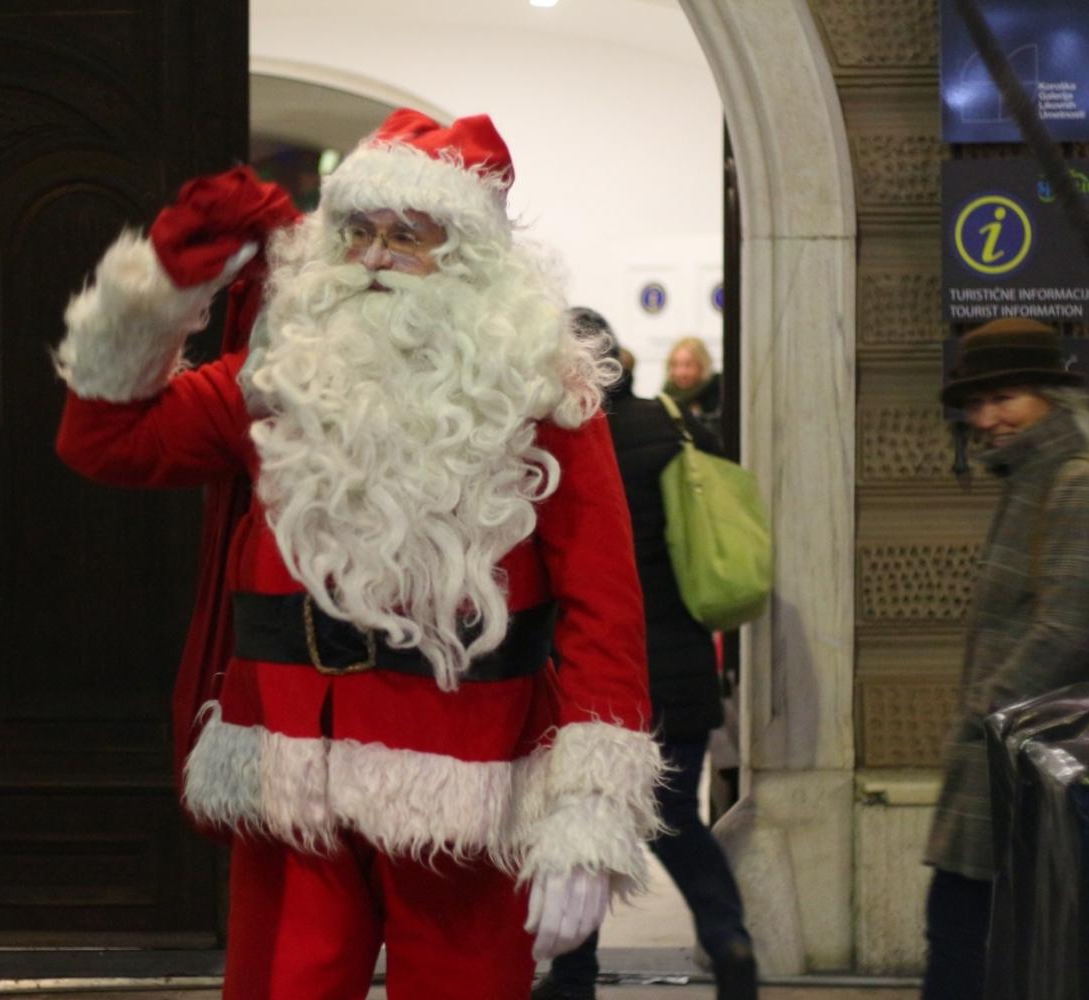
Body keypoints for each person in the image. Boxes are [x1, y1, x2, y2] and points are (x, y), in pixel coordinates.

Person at [53, 109, 663, 999]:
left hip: (471, 789)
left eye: (408, 235)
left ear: (470, 256)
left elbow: (603, 611)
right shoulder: (279, 377)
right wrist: (159, 295)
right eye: (358, 231)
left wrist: (591, 816)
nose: (375, 256)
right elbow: (104, 441)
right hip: (294, 779)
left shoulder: (542, 394)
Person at [531, 310, 757, 1000]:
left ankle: (573, 975)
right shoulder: (676, 428)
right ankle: (729, 938)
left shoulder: (557, 440)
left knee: (578, 818)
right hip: (679, 660)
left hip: (590, 667)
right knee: (676, 816)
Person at [923, 318, 1089, 1000]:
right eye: (978, 403)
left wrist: (985, 711)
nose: (987, 418)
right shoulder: (1032, 477)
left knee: (967, 945)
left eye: (1005, 398)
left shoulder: (1079, 482)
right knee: (967, 939)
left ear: (1050, 397)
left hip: (1034, 768)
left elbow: (1066, 632)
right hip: (1009, 764)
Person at [663, 336, 722, 442]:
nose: (681, 373)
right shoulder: (666, 398)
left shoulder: (717, 395)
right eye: (675, 365)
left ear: (703, 366)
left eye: (688, 365)